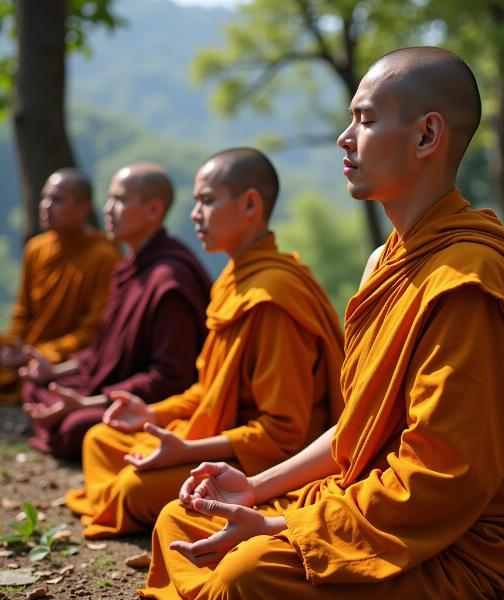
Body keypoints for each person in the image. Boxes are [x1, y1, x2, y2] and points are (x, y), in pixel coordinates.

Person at [140, 48, 504, 600]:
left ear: (427, 137)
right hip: (370, 506)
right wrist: (256, 489)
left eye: (365, 118)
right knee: (179, 522)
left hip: (461, 545)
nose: (345, 137)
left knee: (250, 573)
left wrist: (280, 526)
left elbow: (438, 480)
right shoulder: (384, 262)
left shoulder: (468, 283)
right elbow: (360, 428)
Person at [64, 147, 345, 540]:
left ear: (250, 204)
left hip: (260, 460)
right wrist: (151, 414)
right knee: (100, 439)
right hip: (218, 434)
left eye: (207, 202)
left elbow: (285, 435)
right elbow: (207, 392)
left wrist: (187, 451)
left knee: (133, 488)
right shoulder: (232, 279)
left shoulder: (273, 297)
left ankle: (135, 504)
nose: (195, 214)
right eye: (196, 202)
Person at [21, 162, 211, 460]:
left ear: (153, 211)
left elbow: (170, 378)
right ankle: (62, 416)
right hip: (106, 386)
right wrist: (55, 370)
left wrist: (88, 404)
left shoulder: (168, 278)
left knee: (77, 426)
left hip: (144, 402)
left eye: (120, 200)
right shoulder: (129, 266)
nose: (108, 209)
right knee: (35, 388)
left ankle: (64, 423)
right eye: (110, 198)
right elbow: (103, 348)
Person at [0, 169, 120, 405]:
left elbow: (93, 330)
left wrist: (42, 352)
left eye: (57, 200)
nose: (45, 206)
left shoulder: (103, 257)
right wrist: (12, 345)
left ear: (83, 208)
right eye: (45, 197)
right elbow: (22, 311)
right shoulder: (36, 249)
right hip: (27, 351)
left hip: (60, 358)